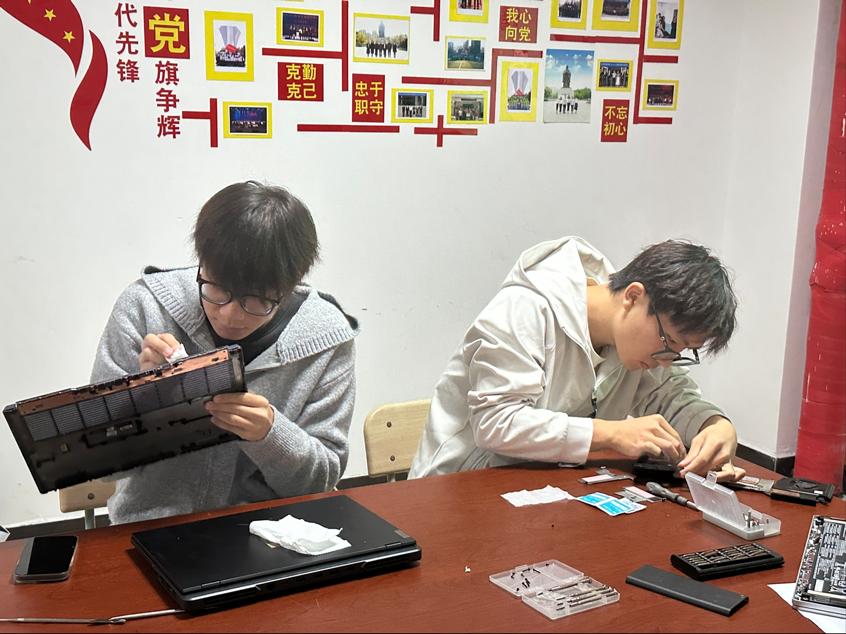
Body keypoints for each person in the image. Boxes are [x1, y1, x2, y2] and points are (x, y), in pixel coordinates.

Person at [92, 181, 358, 524]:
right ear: (201, 263)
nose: (230, 315)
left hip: (271, 532)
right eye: (217, 289)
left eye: (257, 299)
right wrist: (144, 395)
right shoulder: (145, 307)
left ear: (291, 286)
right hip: (152, 526)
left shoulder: (327, 337)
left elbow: (321, 481)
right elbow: (102, 464)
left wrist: (271, 435)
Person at [409, 236, 745, 481]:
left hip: (539, 491)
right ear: (633, 296)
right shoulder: (525, 310)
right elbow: (496, 423)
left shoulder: (632, 342)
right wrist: (611, 433)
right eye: (669, 342)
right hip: (455, 489)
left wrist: (714, 425)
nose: (667, 360)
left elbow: (670, 394)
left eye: (681, 351)